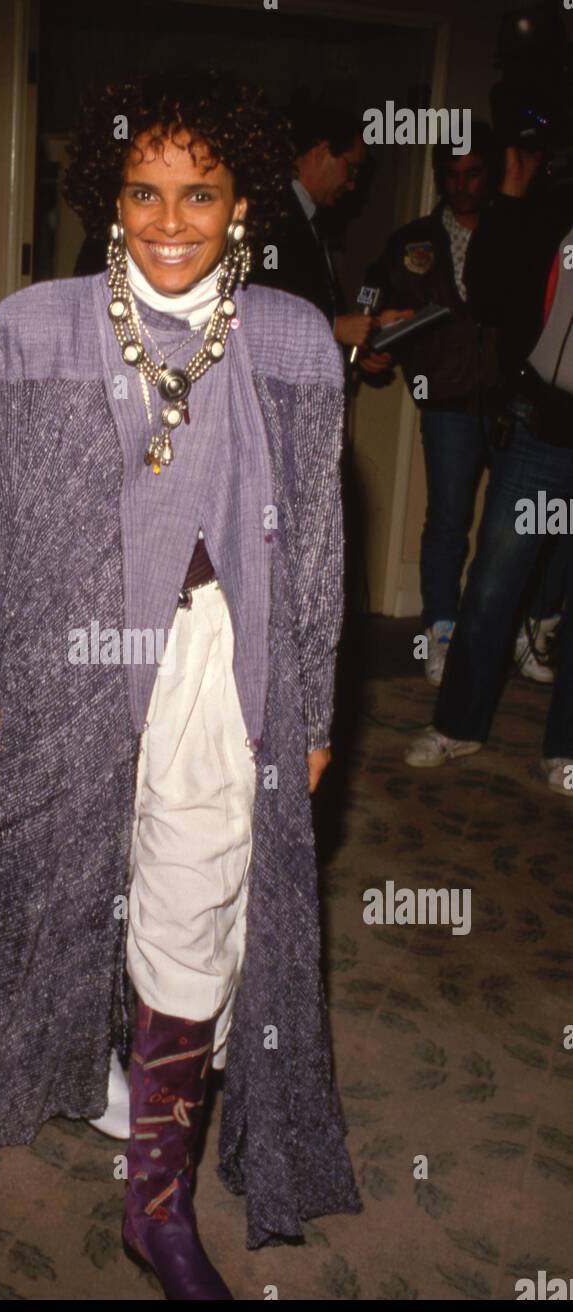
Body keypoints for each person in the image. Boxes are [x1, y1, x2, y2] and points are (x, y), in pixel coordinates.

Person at [0, 67, 362, 1298]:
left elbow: (321, 548)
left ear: (242, 204)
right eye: (143, 191)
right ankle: (89, 1065)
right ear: (106, 194)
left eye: (201, 193)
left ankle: (156, 1206)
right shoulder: (32, 326)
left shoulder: (287, 339)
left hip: (224, 663)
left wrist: (315, 710)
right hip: (65, 656)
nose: (170, 221)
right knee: (60, 877)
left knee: (197, 894)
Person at [404, 145, 573, 796]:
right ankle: (458, 724)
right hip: (540, 429)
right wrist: (508, 202)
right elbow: (490, 292)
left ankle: (565, 749)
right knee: (492, 584)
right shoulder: (551, 208)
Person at [366, 124, 503, 685]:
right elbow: (371, 294)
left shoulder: (513, 230)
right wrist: (369, 339)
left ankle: (496, 630)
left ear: (490, 173)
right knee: (448, 517)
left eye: (473, 173)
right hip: (444, 398)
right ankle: (439, 629)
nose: (462, 184)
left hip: (512, 400)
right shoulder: (412, 241)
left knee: (508, 525)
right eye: (451, 173)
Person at [248, 102, 401, 375]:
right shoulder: (273, 213)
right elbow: (256, 305)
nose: (352, 184)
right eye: (351, 169)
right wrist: (335, 327)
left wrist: (360, 336)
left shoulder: (306, 220)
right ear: (321, 152)